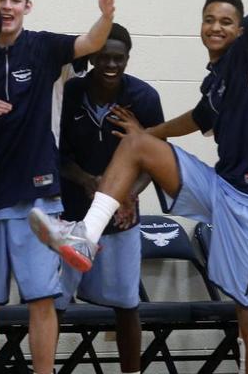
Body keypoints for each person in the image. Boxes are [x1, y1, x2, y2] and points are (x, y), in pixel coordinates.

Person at [29, 0, 248, 372]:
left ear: (240, 29)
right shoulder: (216, 80)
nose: (216, 26)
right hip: (222, 187)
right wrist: (145, 134)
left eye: (227, 21)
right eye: (209, 19)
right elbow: (195, 119)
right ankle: (86, 235)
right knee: (135, 145)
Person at [0, 0, 113, 374]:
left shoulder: (43, 47)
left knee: (42, 299)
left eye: (14, 0)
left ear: (27, 6)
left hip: (36, 195)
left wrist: (106, 15)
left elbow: (92, 41)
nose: (6, 6)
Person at [56, 23, 163, 374]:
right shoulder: (69, 93)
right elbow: (55, 153)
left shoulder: (144, 98)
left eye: (119, 58)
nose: (111, 65)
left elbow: (157, 159)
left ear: (128, 59)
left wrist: (128, 193)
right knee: (52, 302)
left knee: (127, 304)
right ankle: (45, 366)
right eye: (104, 57)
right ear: (93, 56)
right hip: (70, 214)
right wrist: (88, 181)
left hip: (120, 218)